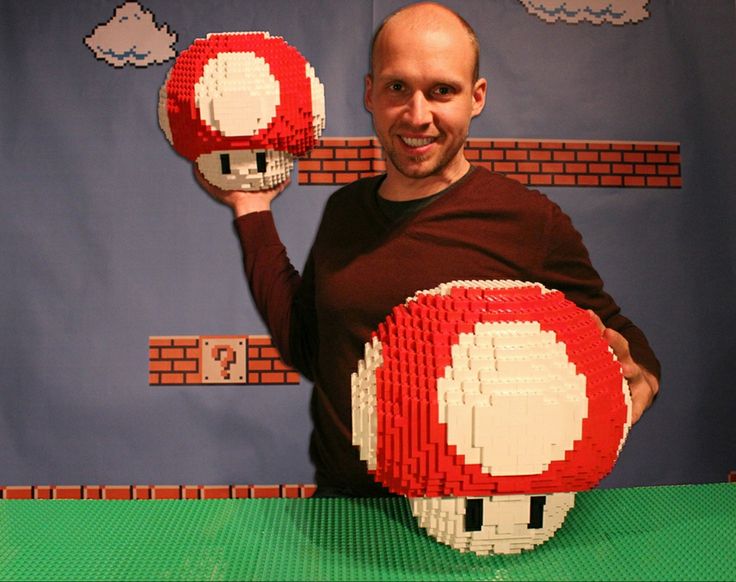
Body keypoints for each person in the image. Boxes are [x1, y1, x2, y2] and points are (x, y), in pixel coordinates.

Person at [195, 1, 660, 497]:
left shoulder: (527, 221)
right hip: (345, 516)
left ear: (476, 98)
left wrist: (638, 378)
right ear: (370, 94)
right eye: (398, 88)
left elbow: (626, 345)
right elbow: (310, 345)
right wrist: (251, 207)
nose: (418, 116)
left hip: (476, 530)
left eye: (442, 91)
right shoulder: (345, 211)